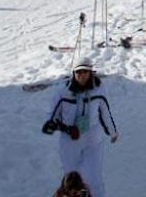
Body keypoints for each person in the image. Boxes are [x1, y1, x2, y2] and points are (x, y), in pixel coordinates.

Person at [42, 59, 117, 197]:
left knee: (94, 177)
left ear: (90, 72)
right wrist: (65, 129)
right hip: (70, 140)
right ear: (73, 73)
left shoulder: (99, 89)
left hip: (93, 138)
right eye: (78, 72)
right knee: (72, 178)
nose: (81, 75)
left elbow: (105, 111)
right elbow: (52, 117)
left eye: (85, 71)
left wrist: (112, 131)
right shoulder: (63, 91)